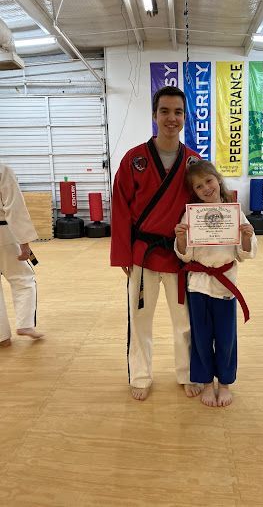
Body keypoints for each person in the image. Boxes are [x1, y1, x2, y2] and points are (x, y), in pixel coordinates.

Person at [110, 86, 201, 401]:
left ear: (184, 117)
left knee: (185, 321)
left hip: (178, 255)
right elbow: (120, 207)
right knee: (140, 320)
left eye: (177, 112)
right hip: (143, 255)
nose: (171, 118)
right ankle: (141, 374)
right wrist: (122, 253)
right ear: (154, 114)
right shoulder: (134, 158)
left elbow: (204, 205)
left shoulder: (193, 161)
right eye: (165, 111)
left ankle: (188, 372)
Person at [174, 160, 257, 407]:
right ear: (194, 192)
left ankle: (225, 383)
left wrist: (246, 236)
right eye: (199, 187)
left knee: (225, 337)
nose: (206, 188)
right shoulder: (191, 214)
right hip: (198, 285)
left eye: (208, 181)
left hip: (225, 286)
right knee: (201, 337)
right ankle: (207, 383)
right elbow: (185, 254)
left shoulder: (234, 212)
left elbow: (244, 254)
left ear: (218, 180)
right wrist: (180, 238)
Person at [0, 163, 43, 348]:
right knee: (23, 278)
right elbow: (14, 207)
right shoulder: (2, 169)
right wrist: (24, 242)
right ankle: (25, 325)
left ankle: (2, 337)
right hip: (4, 234)